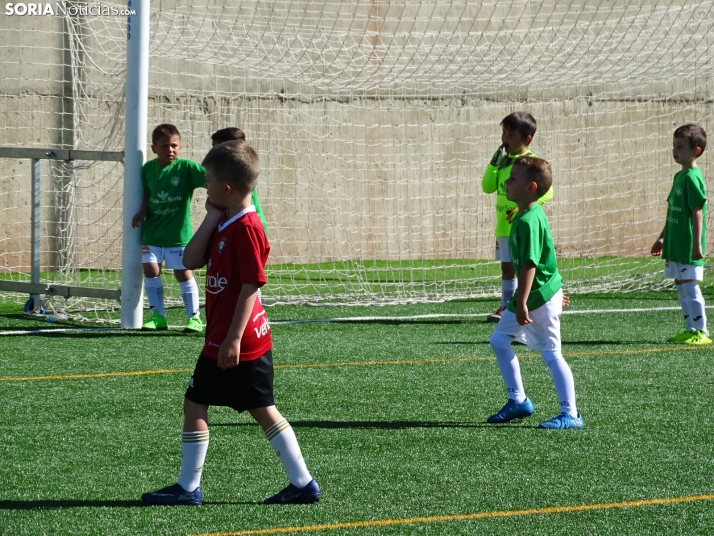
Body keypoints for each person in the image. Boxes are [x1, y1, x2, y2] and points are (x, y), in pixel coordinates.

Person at [141, 140, 320, 506]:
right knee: (260, 408)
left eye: (207, 181)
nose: (203, 187)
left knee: (196, 402)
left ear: (226, 188)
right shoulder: (226, 220)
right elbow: (188, 260)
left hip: (235, 337)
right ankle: (302, 483)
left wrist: (233, 339)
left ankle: (189, 488)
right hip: (234, 335)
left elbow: (251, 285)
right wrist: (210, 216)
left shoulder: (247, 228)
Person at [486, 156, 583, 429]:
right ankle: (518, 400)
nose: (507, 181)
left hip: (535, 298)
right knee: (499, 340)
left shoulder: (529, 220)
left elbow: (530, 264)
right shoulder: (525, 215)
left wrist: (525, 301)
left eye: (513, 178)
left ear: (530, 187)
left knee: (552, 353)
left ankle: (571, 414)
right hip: (535, 295)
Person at [132, 124, 205, 332]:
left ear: (180, 147)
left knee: (183, 273)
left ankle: (194, 318)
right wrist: (142, 211)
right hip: (152, 233)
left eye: (174, 145)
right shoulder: (147, 170)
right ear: (154, 148)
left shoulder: (187, 168)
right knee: (151, 270)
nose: (170, 150)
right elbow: (147, 194)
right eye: (164, 146)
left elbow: (210, 180)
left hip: (178, 236)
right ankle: (158, 316)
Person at [481, 112, 553, 323]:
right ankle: (505, 305)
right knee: (506, 266)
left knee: (520, 266)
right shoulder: (503, 162)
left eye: (511, 134)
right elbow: (487, 187)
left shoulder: (529, 164)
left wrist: (528, 207)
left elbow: (548, 191)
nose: (505, 138)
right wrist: (494, 163)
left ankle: (520, 304)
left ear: (526, 139)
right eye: (503, 132)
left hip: (520, 226)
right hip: (503, 226)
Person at [651, 124, 710, 345]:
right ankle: (690, 328)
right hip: (675, 244)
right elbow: (673, 210)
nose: (675, 150)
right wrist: (662, 237)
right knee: (681, 286)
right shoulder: (680, 176)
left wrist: (697, 244)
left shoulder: (693, 178)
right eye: (673, 146)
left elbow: (697, 212)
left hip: (687, 245)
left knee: (689, 285)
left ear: (696, 151)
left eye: (680, 147)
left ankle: (701, 332)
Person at [210, 127, 268, 234]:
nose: (212, 153)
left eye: (215, 148)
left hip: (248, 229)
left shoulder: (236, 175)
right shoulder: (229, 171)